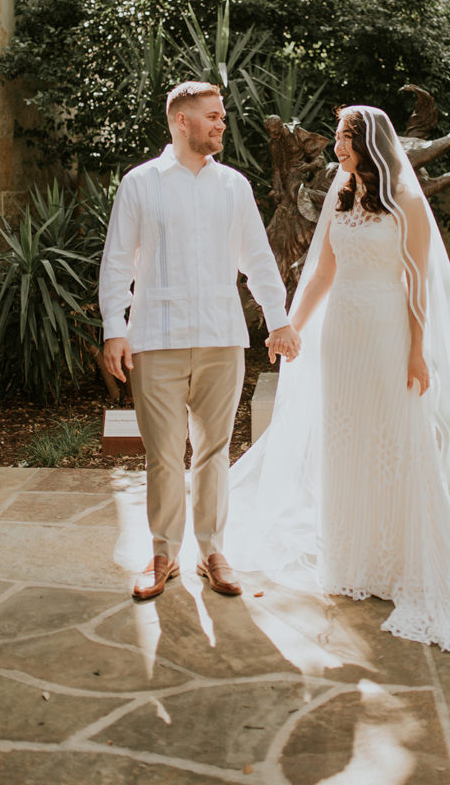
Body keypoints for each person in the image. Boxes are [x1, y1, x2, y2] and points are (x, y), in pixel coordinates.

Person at [228, 105, 450, 665]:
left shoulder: (407, 202)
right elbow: (322, 271)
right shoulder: (339, 193)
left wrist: (418, 353)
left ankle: (404, 559)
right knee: (344, 440)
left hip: (389, 333)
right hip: (341, 336)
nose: (336, 147)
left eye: (344, 137)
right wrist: (294, 327)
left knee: (395, 441)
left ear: (367, 142)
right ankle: (354, 560)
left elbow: (418, 283)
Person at [99, 81, 300, 601]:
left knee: (213, 452)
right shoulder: (140, 184)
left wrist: (278, 319)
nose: (221, 124)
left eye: (222, 117)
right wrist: (113, 329)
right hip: (155, 339)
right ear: (181, 121)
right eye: (212, 116)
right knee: (163, 455)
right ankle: (163, 553)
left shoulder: (233, 187)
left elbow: (257, 257)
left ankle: (213, 552)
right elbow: (118, 261)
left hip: (220, 338)